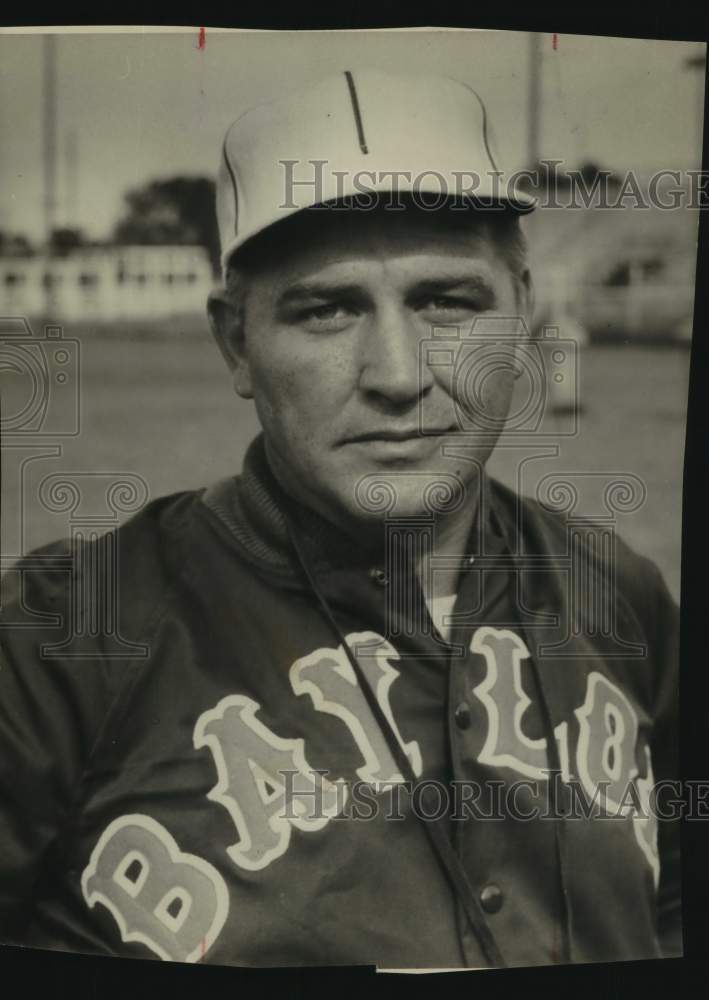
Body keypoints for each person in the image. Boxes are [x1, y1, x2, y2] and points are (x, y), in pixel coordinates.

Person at [0, 68, 680, 970]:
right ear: (235, 340)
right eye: (326, 309)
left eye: (447, 302)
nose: (397, 375)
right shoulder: (60, 639)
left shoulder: (618, 592)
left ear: (520, 312)